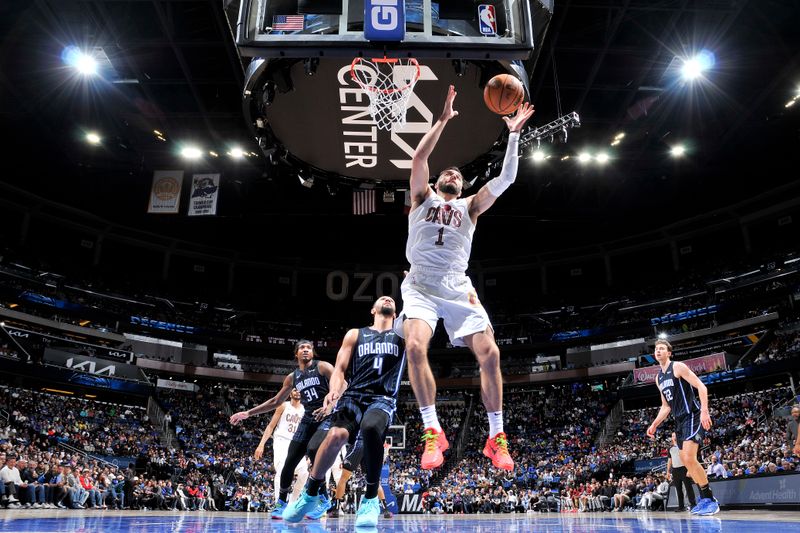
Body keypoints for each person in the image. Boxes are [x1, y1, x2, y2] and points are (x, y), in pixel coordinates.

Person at [394, 84, 534, 471]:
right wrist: (442, 120)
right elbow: (420, 156)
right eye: (448, 172)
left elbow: (505, 179)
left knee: (491, 354)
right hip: (421, 283)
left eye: (459, 173)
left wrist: (514, 135)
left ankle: (496, 437)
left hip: (457, 284)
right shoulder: (422, 199)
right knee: (415, 348)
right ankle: (431, 431)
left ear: (462, 185)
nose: (454, 173)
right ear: (438, 183)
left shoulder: (471, 206)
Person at [282, 296, 405, 527]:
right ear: (372, 309)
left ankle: (370, 500)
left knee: (370, 428)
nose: (387, 298)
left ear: (396, 313)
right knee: (336, 435)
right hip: (354, 395)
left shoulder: (402, 333)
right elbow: (339, 369)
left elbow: (420, 317)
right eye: (381, 298)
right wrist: (334, 390)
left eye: (392, 300)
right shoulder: (355, 334)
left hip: (383, 397)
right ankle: (310, 493)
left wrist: (414, 285)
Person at [230, 340, 340, 519]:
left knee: (313, 450)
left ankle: (323, 498)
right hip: (308, 417)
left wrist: (331, 402)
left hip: (327, 416)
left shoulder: (322, 367)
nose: (306, 350)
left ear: (313, 353)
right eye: (302, 348)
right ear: (296, 354)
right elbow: (275, 401)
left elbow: (341, 382)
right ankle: (281, 503)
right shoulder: (293, 377)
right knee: (289, 463)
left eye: (309, 348)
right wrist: (248, 413)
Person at [646, 340, 719, 515]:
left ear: (669, 353)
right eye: (656, 349)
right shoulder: (659, 378)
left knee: (688, 456)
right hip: (679, 421)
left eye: (662, 348)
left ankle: (710, 499)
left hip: (692, 415)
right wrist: (654, 424)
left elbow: (702, 386)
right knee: (686, 460)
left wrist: (704, 411)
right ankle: (705, 498)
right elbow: (666, 406)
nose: (658, 351)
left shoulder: (677, 367)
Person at [254, 388, 308, 503]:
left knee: (304, 472)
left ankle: (292, 503)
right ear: (290, 394)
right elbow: (270, 426)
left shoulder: (305, 410)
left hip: (296, 442)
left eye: (300, 390)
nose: (297, 391)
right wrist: (261, 444)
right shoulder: (283, 406)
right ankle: (279, 503)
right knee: (282, 470)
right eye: (295, 389)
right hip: (281, 441)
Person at [328, 436, 393, 518]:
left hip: (358, 443)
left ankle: (336, 510)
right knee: (374, 481)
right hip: (370, 446)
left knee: (343, 478)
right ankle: (386, 510)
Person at [667, 432, 697, 512]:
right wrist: (668, 471)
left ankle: (693, 504)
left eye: (675, 435)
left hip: (684, 468)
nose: (674, 437)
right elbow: (670, 460)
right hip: (675, 470)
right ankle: (681, 506)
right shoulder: (670, 448)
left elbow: (687, 457)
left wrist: (689, 469)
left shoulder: (683, 445)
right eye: (672, 435)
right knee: (678, 489)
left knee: (688, 488)